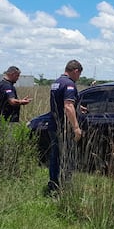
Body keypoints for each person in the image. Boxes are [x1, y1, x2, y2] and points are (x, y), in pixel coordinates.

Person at [47, 60, 84, 194]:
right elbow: (68, 106)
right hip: (63, 127)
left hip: (53, 124)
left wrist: (78, 108)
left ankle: (53, 183)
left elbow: (64, 103)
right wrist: (76, 128)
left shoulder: (56, 82)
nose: (78, 78)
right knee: (67, 155)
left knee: (55, 155)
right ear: (76, 71)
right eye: (79, 75)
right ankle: (65, 185)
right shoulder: (69, 84)